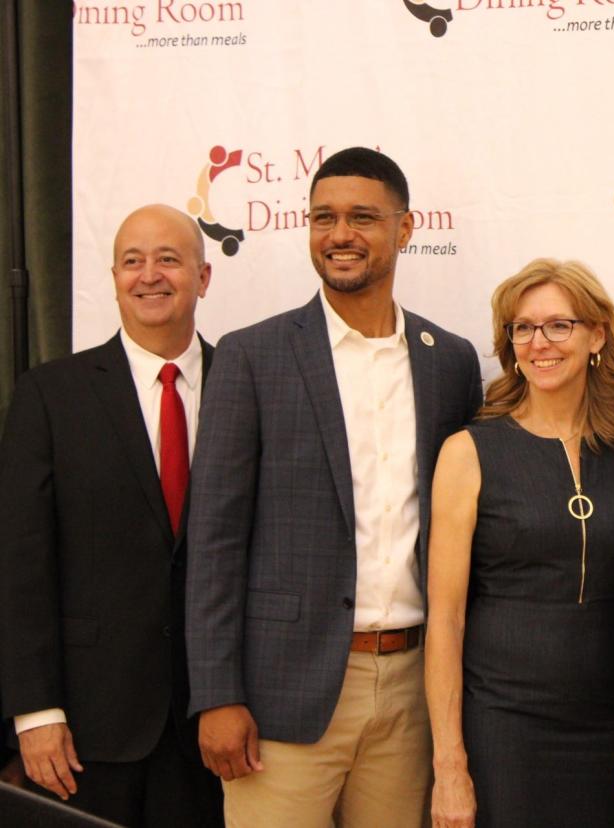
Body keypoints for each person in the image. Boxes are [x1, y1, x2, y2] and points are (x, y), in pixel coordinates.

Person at [185, 147, 482, 826]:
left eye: (362, 218)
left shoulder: (452, 363)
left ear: (405, 230)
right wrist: (217, 694)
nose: (339, 234)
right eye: (324, 217)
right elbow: (214, 540)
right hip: (282, 698)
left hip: (413, 694)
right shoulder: (252, 356)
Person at [0, 204, 222, 826]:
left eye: (169, 259)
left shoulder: (246, 383)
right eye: (133, 261)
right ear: (116, 276)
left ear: (203, 278)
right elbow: (21, 564)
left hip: (216, 727)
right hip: (89, 728)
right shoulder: (51, 395)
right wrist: (36, 713)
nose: (149, 275)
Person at [425, 258, 614, 828]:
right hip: (503, 727)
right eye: (523, 328)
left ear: (597, 335)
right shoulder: (469, 451)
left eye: (559, 325)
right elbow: (447, 620)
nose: (540, 343)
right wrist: (449, 764)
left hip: (611, 728)